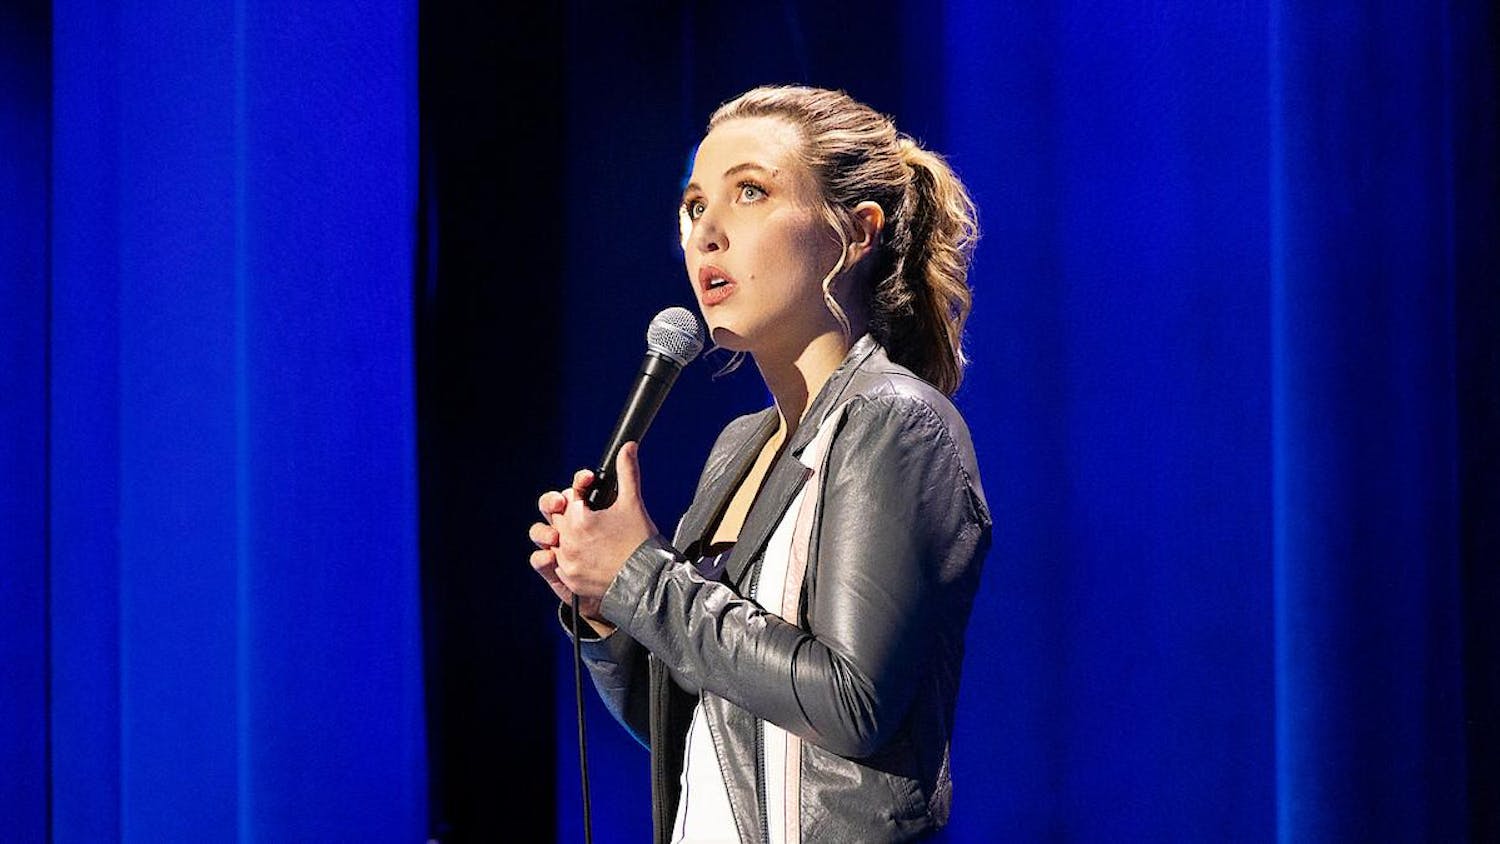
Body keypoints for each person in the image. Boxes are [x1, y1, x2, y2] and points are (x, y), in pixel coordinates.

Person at [528, 85, 991, 843]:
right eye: (694, 205)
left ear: (855, 233)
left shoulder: (894, 423)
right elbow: (708, 725)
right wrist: (611, 608)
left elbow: (851, 704)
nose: (707, 231)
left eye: (750, 192)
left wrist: (645, 573)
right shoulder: (740, 446)